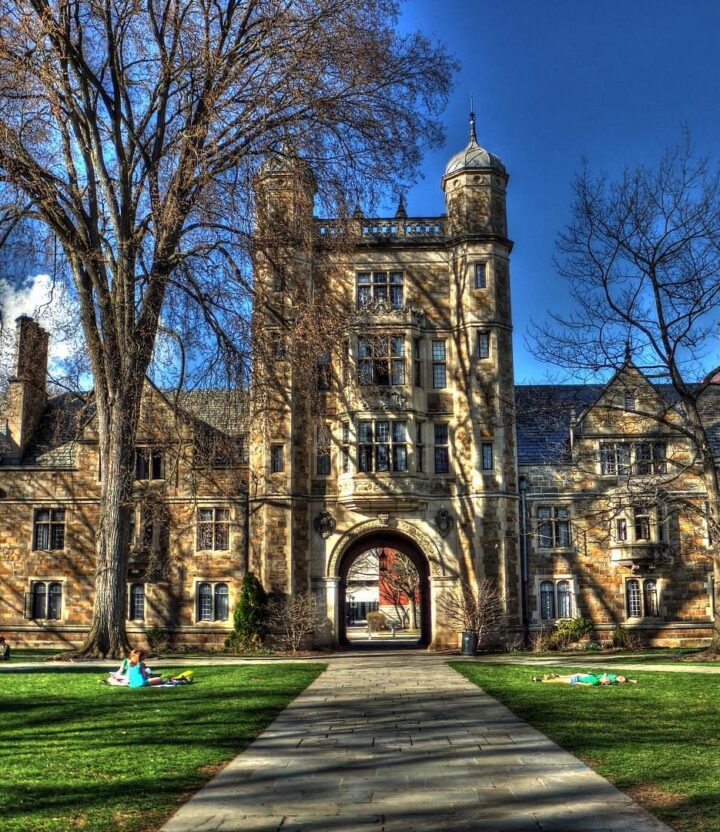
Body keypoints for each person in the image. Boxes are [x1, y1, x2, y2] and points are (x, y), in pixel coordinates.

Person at [532, 672, 636, 685]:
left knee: (557, 680)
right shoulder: (612, 676)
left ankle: (540, 680)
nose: (620, 677)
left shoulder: (613, 681)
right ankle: (546, 677)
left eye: (621, 679)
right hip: (582, 676)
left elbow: (584, 684)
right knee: (560, 676)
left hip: (575, 680)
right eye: (621, 676)